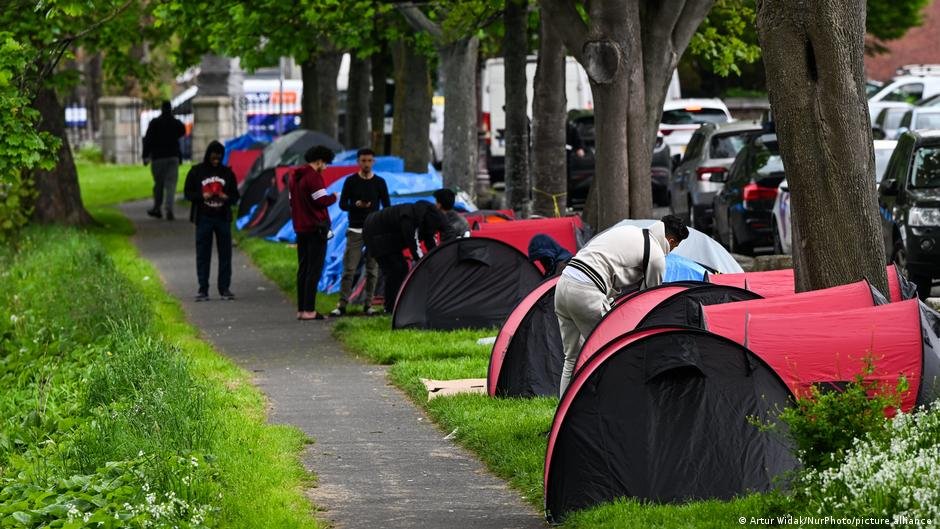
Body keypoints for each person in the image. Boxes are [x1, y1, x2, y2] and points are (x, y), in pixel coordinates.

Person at [555, 215, 689, 396]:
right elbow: (649, 300)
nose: (671, 250)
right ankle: (599, 412)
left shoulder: (630, 232)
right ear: (671, 241)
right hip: (586, 292)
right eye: (675, 247)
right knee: (611, 355)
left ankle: (562, 419)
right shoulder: (656, 256)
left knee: (571, 357)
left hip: (564, 283)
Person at [330, 148, 390, 317]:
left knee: (372, 270)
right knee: (349, 268)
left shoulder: (380, 182)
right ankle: (342, 304)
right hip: (355, 228)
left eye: (369, 161)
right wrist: (355, 205)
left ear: (374, 162)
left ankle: (368, 304)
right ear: (358, 161)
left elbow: (387, 206)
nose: (366, 164)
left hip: (374, 230)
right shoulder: (350, 181)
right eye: (363, 161)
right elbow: (342, 204)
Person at [362, 201, 451, 314]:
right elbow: (414, 247)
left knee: (400, 269)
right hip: (375, 233)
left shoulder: (428, 218)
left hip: (386, 235)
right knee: (395, 270)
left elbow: (431, 241)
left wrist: (435, 259)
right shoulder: (409, 218)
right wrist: (425, 263)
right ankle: (390, 308)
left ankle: (395, 305)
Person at [183, 141, 240, 302]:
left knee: (225, 254)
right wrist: (202, 196)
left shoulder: (227, 173)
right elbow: (187, 193)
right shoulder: (196, 172)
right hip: (203, 217)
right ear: (208, 155)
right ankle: (203, 288)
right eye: (213, 157)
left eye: (219, 157)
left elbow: (235, 196)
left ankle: (224, 288)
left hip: (222, 217)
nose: (216, 160)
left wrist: (226, 197)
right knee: (203, 254)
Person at [289, 145, 338, 321]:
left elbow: (291, 202)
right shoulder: (314, 177)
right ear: (319, 161)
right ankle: (310, 310)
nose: (326, 167)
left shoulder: (295, 177)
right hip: (316, 228)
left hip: (300, 228)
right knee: (314, 270)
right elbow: (321, 200)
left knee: (303, 268)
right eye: (325, 164)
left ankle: (301, 309)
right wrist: (334, 196)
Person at [143, 100, 186, 220]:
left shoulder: (155, 123)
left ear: (161, 109)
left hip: (158, 158)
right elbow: (183, 131)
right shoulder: (175, 123)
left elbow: (148, 140)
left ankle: (157, 207)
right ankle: (169, 208)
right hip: (173, 156)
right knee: (171, 185)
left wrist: (145, 156)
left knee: (159, 184)